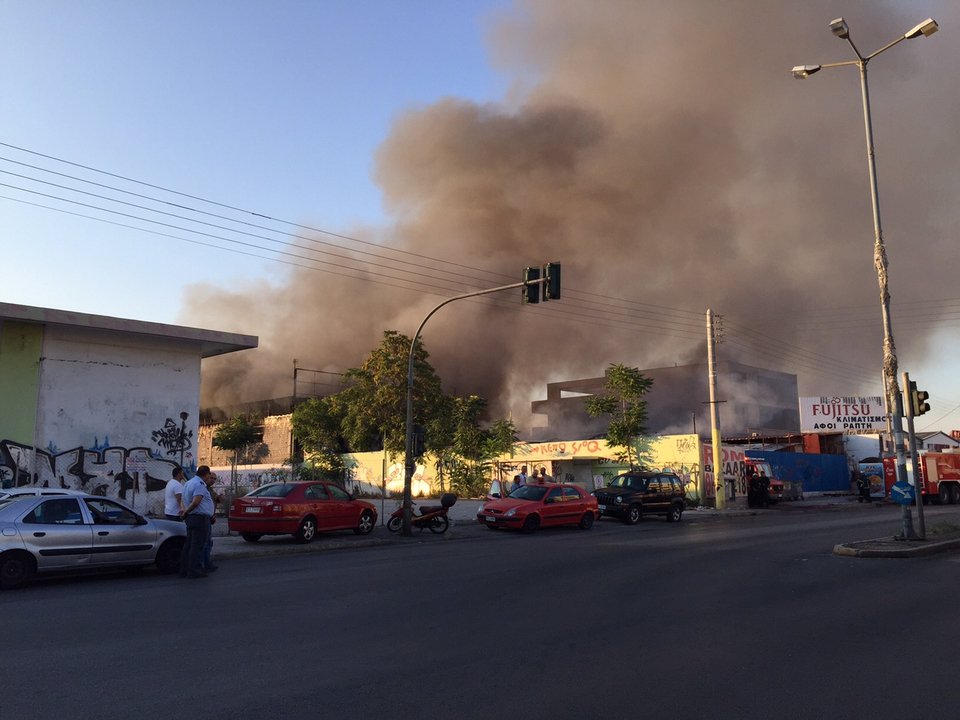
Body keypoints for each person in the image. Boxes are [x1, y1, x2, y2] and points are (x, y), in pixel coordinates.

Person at [179, 465, 215, 579]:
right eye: (209, 475)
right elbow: (196, 502)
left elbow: (184, 500)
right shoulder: (199, 485)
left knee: (189, 545)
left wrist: (185, 512)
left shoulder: (188, 483)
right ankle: (194, 570)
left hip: (191, 518)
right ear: (207, 474)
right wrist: (186, 512)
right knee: (197, 545)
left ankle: (184, 569)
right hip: (199, 518)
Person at [202, 472, 221, 573]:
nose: (213, 480)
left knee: (208, 542)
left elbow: (216, 499)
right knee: (206, 542)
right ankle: (205, 564)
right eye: (211, 478)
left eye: (214, 479)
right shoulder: (203, 488)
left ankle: (206, 563)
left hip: (209, 517)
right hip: (205, 518)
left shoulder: (210, 489)